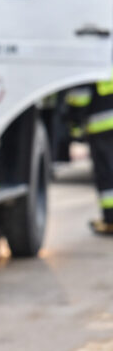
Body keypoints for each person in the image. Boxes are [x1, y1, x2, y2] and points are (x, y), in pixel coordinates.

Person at [66, 76, 113, 235]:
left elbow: (80, 97)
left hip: (102, 126)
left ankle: (111, 220)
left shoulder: (97, 58)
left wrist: (75, 122)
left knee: (106, 175)